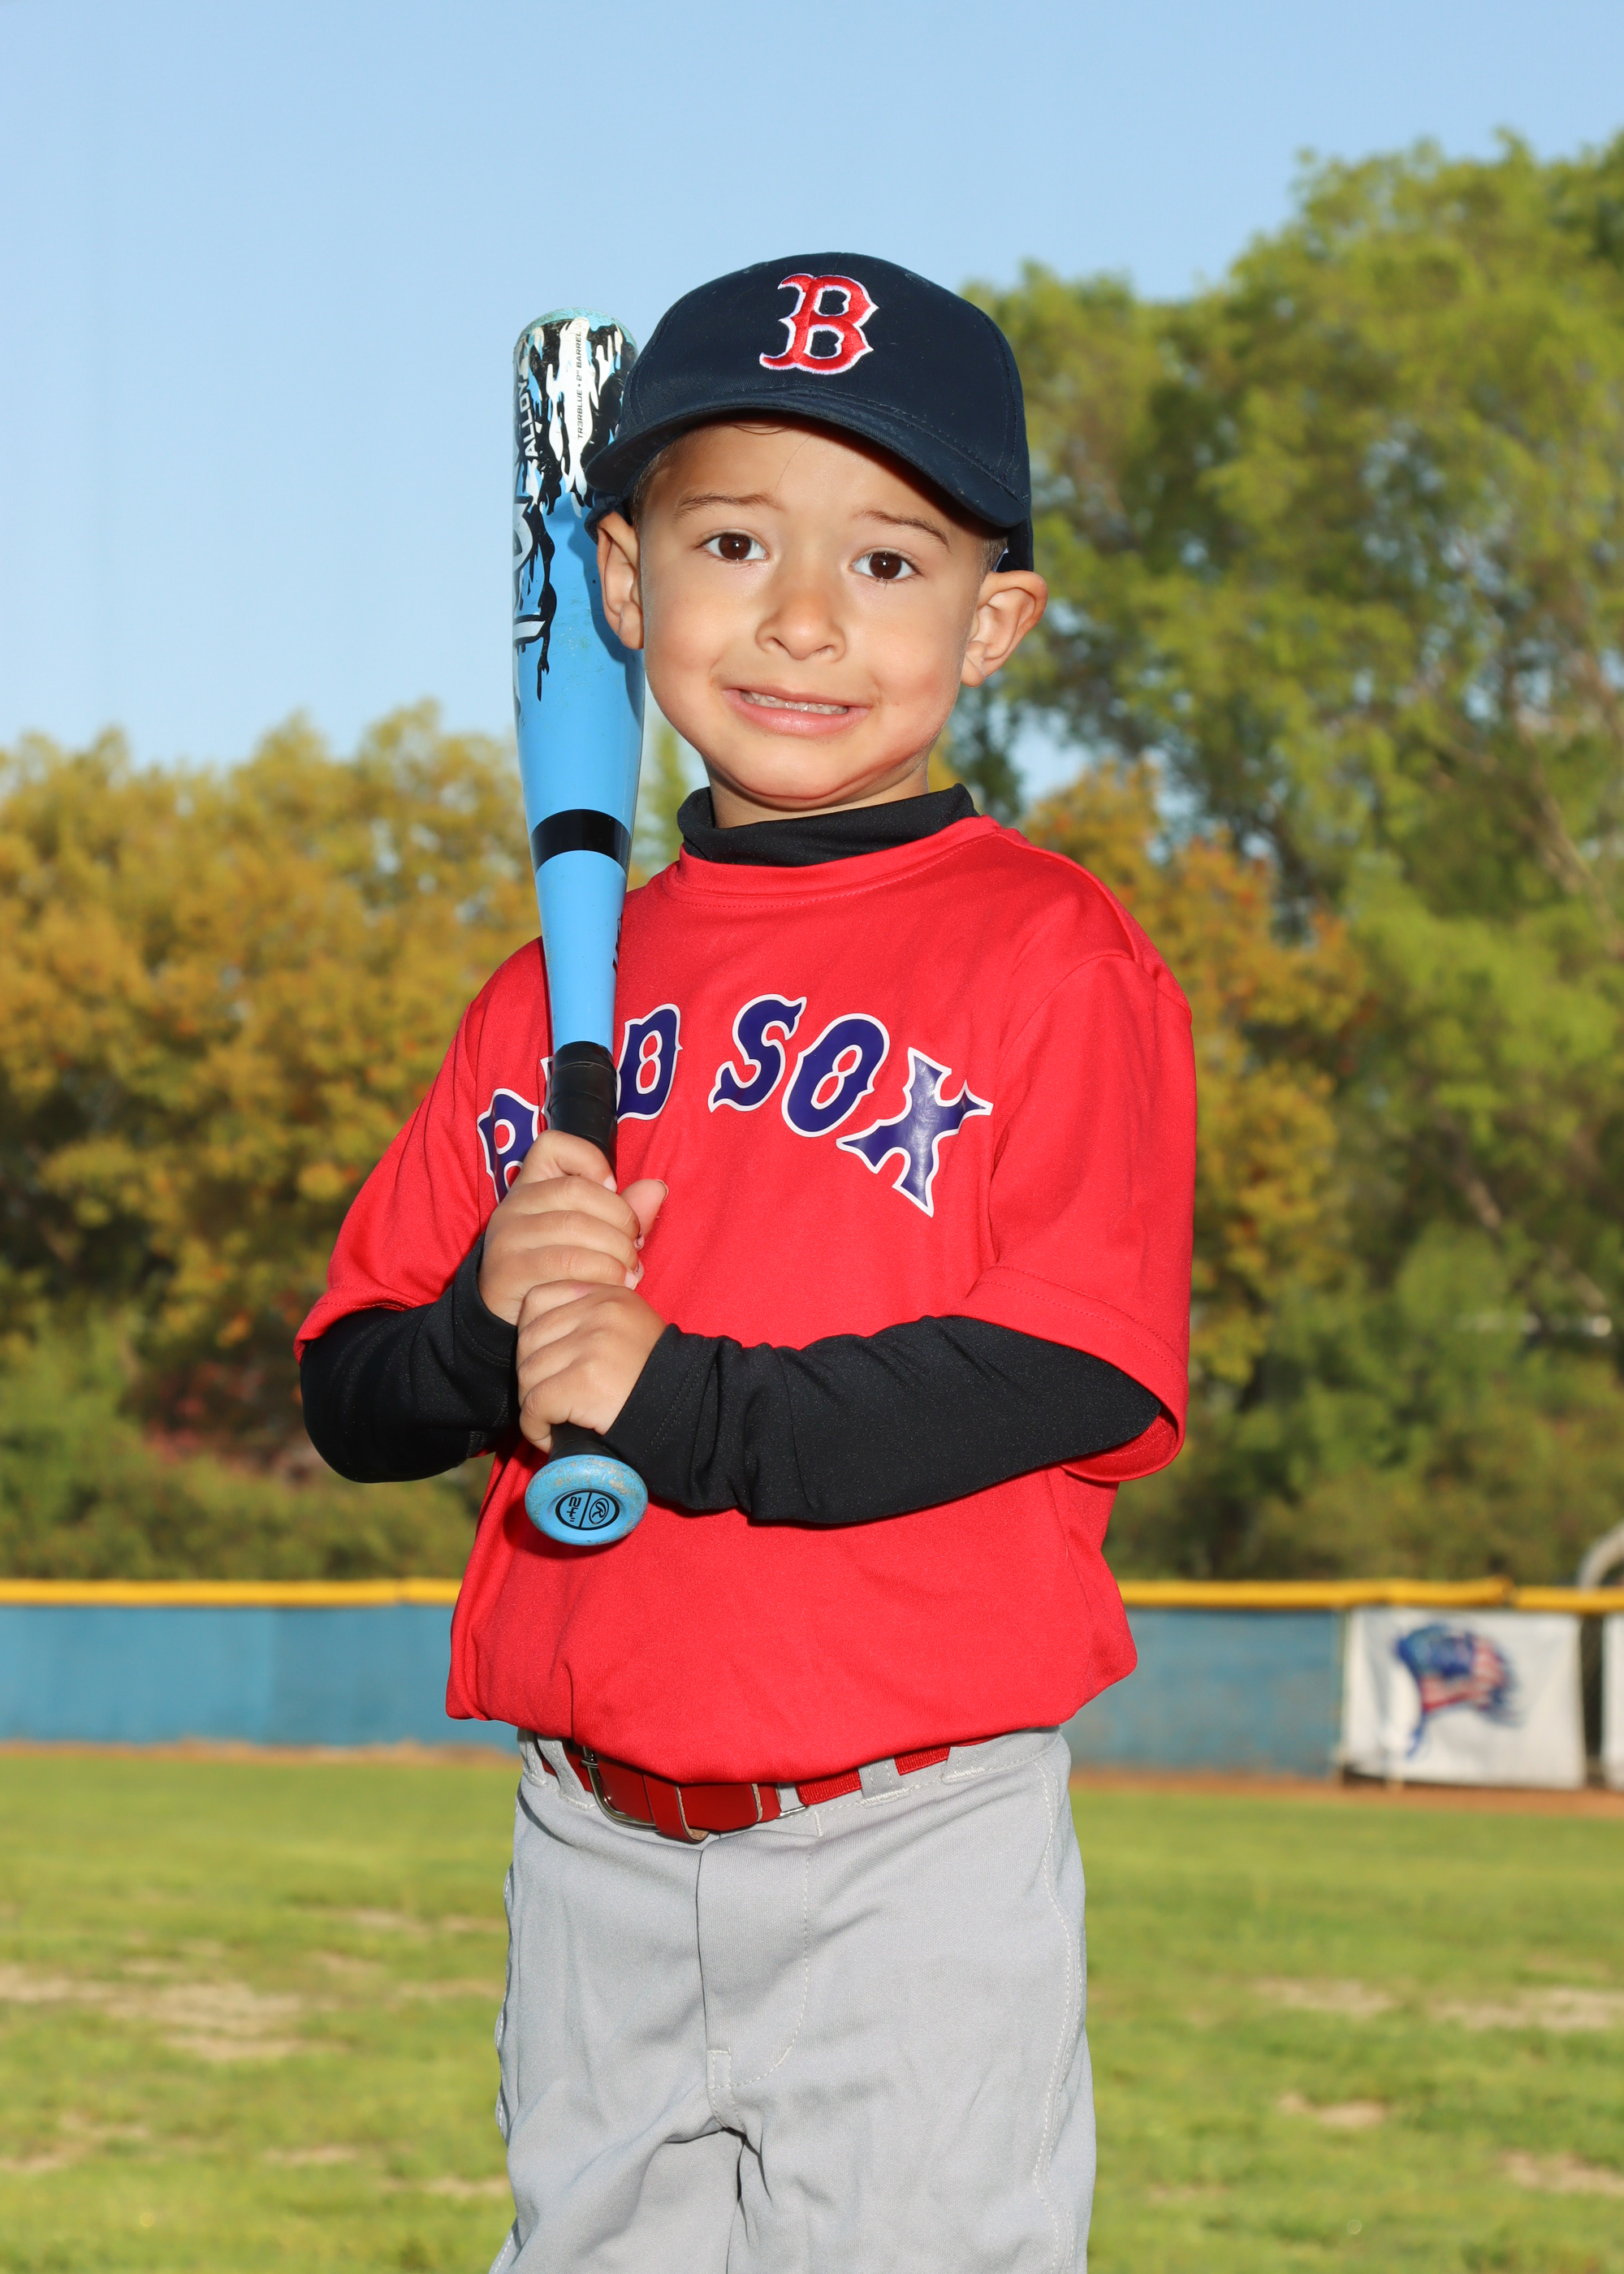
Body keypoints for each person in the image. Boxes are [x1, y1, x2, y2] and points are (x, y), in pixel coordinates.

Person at [298, 253, 1195, 2273]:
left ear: (995, 621)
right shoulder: (546, 996)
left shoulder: (1051, 953)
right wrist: (485, 1326)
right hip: (588, 1840)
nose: (802, 616)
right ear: (619, 585)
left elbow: (1068, 1365)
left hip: (909, 1842)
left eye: (886, 560)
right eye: (730, 541)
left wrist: (675, 1394)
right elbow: (352, 1387)